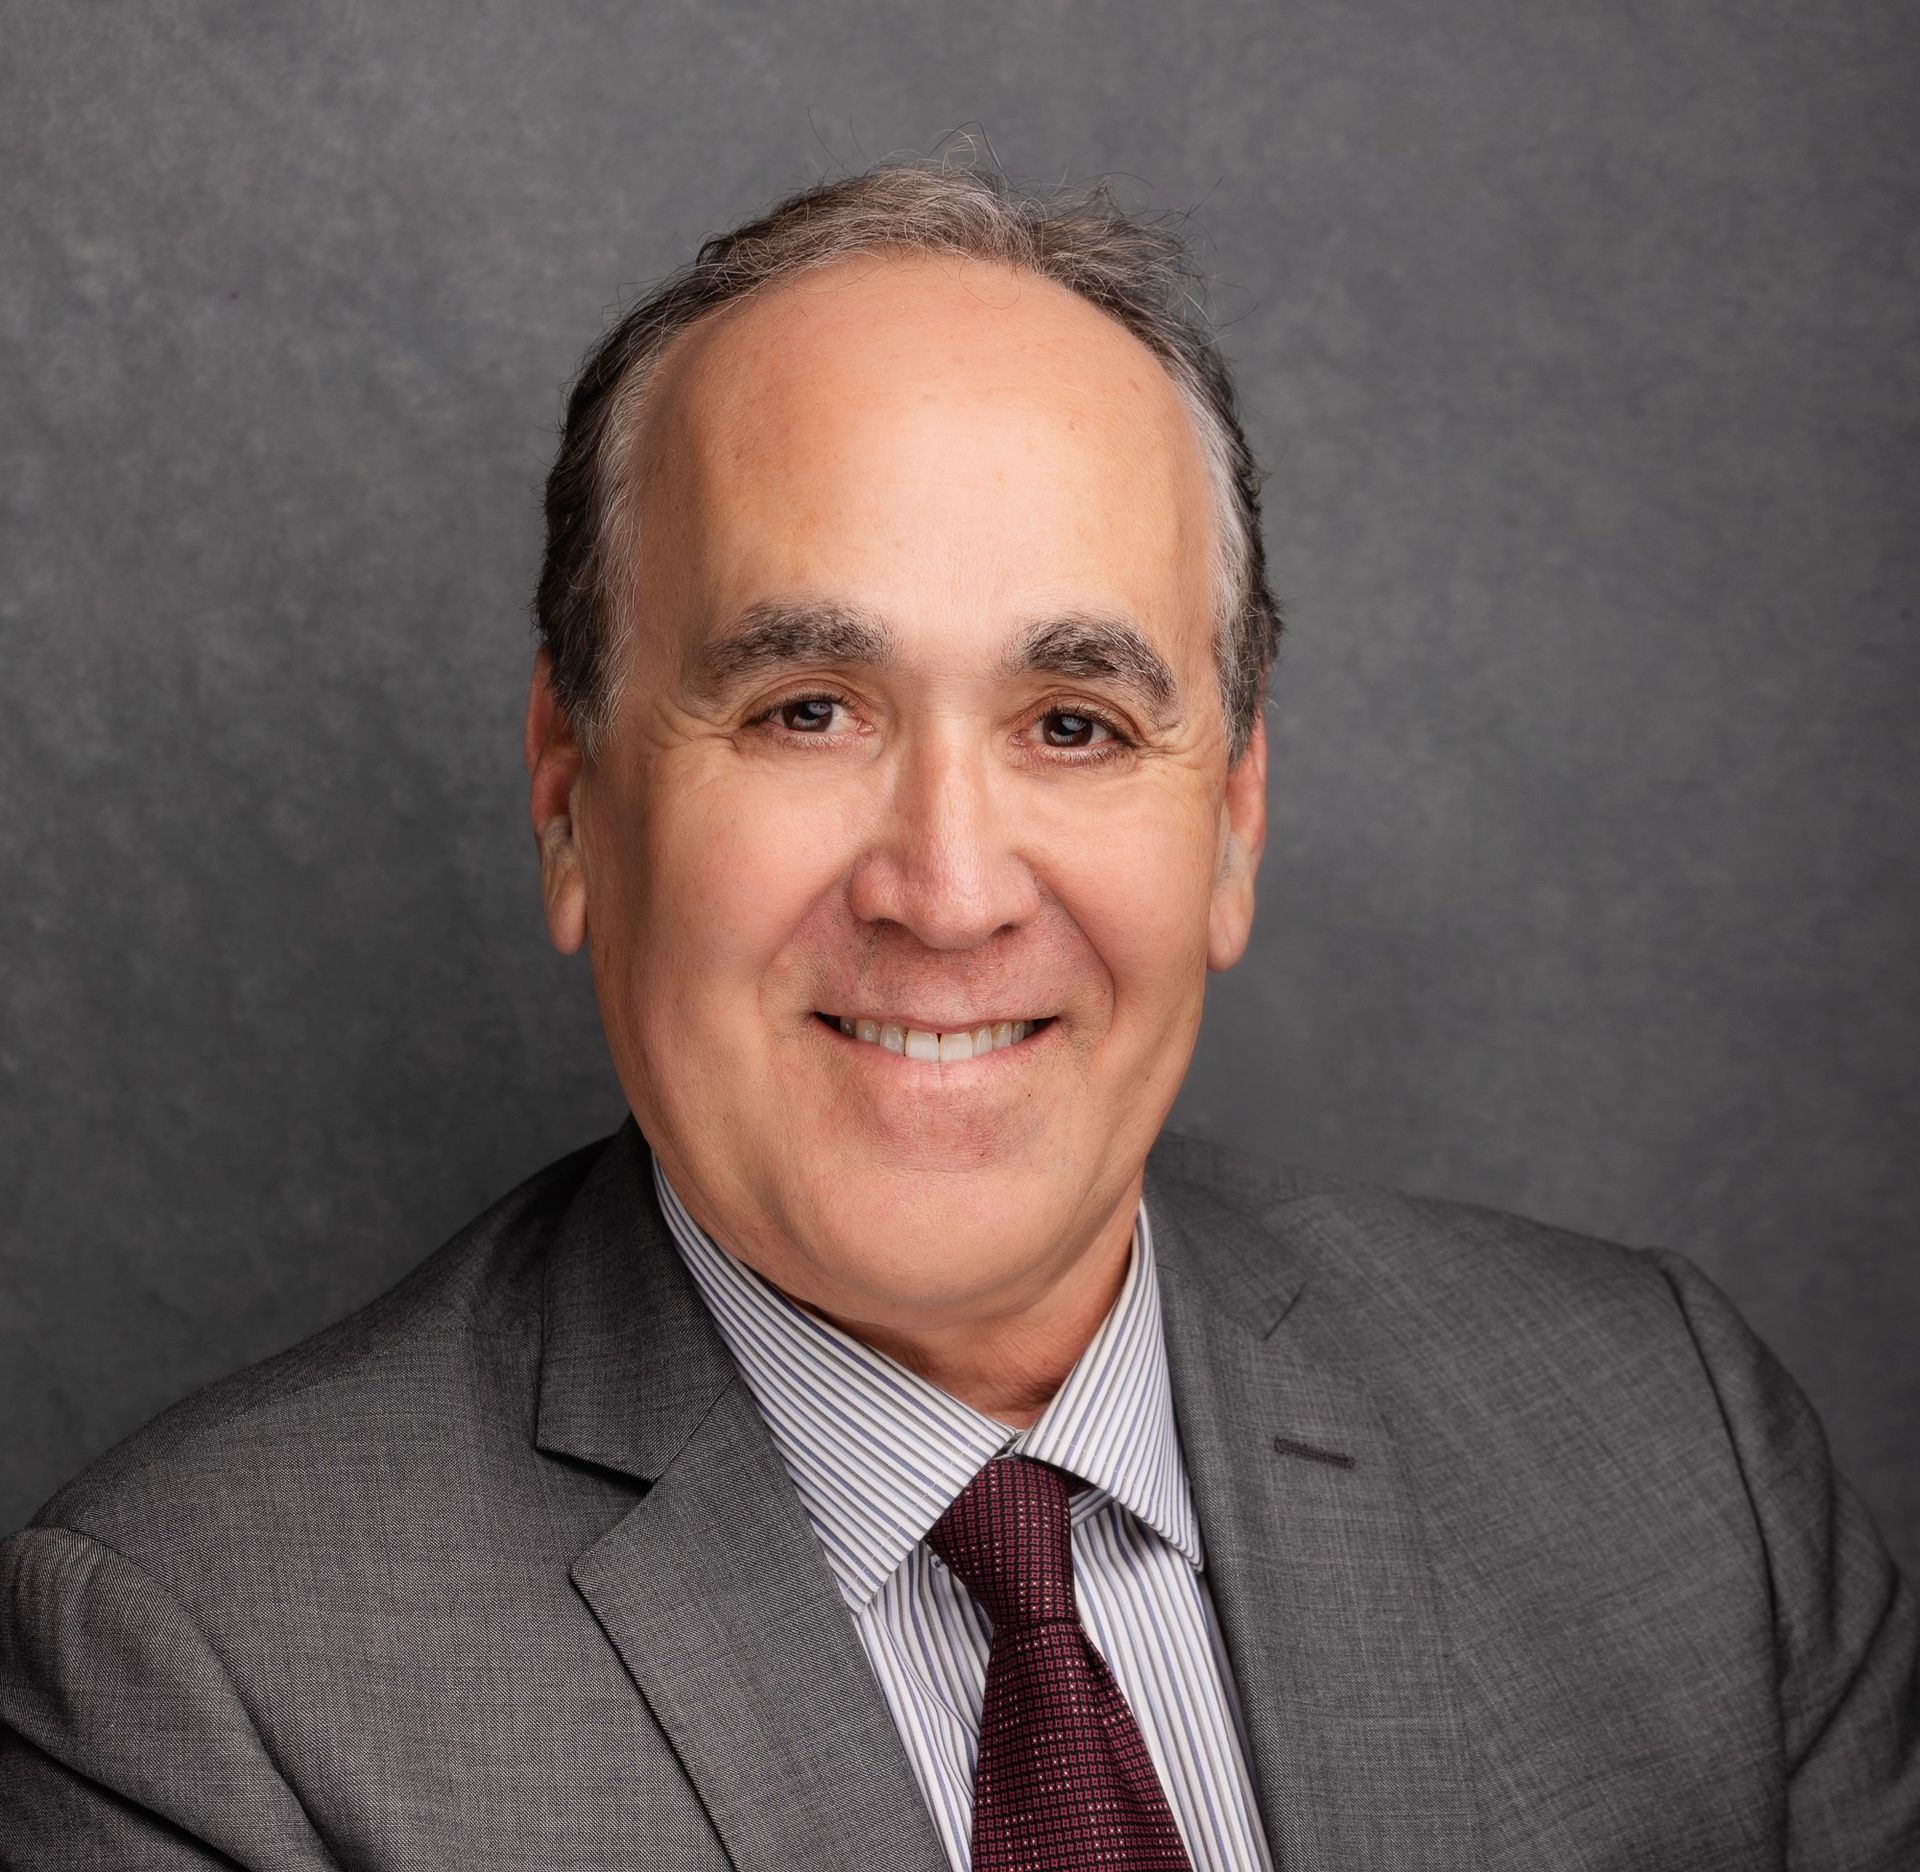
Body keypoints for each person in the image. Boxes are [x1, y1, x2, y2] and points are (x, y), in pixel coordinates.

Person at [2, 160, 1914, 1871]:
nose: (948, 887)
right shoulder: (204, 1678)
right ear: (570, 792)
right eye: (806, 709)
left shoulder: (1676, 1461)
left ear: (1232, 823)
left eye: (1074, 725)